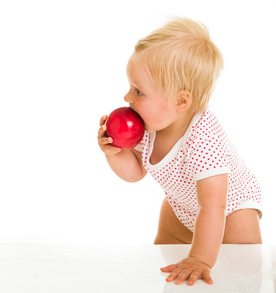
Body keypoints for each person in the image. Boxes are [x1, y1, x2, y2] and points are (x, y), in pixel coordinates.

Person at [97, 17, 262, 286]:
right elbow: (135, 171)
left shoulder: (204, 138)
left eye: (139, 91)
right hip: (182, 206)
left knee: (245, 269)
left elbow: (213, 205)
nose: (127, 98)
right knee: (163, 259)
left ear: (181, 101)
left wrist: (200, 258)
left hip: (230, 209)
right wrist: (114, 152)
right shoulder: (150, 126)